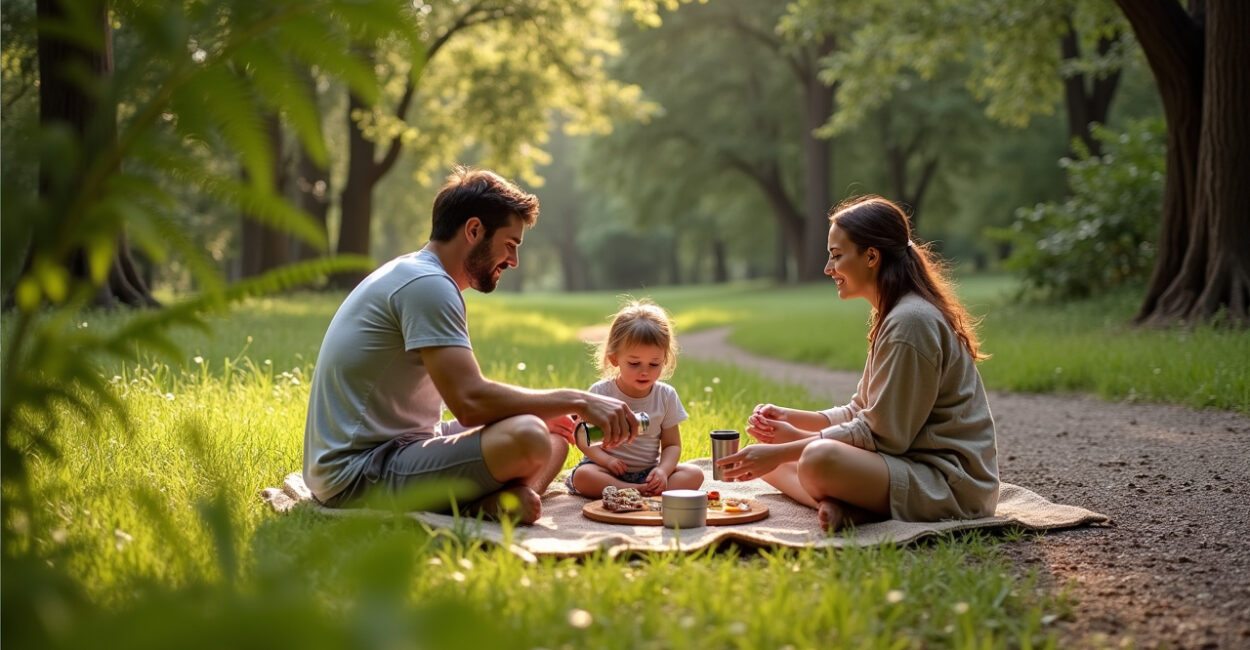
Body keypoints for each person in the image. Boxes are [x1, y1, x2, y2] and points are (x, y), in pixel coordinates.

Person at [303, 166, 640, 524]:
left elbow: (470, 396)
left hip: (408, 443)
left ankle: (511, 500)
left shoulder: (421, 275)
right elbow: (470, 402)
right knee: (530, 435)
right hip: (359, 472)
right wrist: (579, 399)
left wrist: (556, 407)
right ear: (474, 230)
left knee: (553, 425)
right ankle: (476, 505)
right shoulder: (427, 285)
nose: (513, 261)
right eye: (510, 244)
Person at [715, 195, 999, 532]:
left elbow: (882, 435)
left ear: (871, 256)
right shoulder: (895, 314)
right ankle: (846, 508)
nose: (828, 268)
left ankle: (861, 510)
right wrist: (792, 422)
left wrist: (788, 449)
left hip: (949, 484)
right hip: (906, 464)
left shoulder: (910, 322)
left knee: (815, 459)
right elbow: (860, 411)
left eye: (836, 256)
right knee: (770, 455)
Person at [565, 299, 703, 498]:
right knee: (584, 475)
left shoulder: (666, 396)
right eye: (634, 363)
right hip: (607, 470)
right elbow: (583, 439)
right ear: (615, 358)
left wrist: (662, 471)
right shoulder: (601, 392)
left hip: (647, 473)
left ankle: (642, 489)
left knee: (694, 474)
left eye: (654, 364)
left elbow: (672, 445)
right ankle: (631, 491)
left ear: (664, 359)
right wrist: (607, 461)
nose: (644, 372)